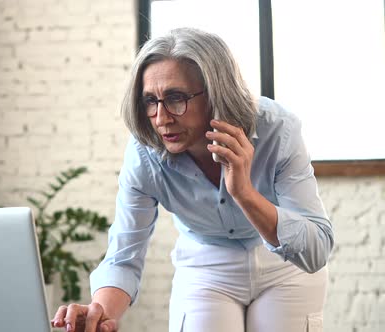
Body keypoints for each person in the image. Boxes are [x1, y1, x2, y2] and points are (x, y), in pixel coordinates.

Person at [51, 27, 334, 332]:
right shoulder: (145, 152)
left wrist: (245, 193)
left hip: (285, 266)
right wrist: (99, 312)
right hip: (206, 265)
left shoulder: (278, 130)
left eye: (175, 98)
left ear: (215, 92)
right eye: (150, 100)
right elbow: (124, 255)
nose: (161, 118)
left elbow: (316, 249)